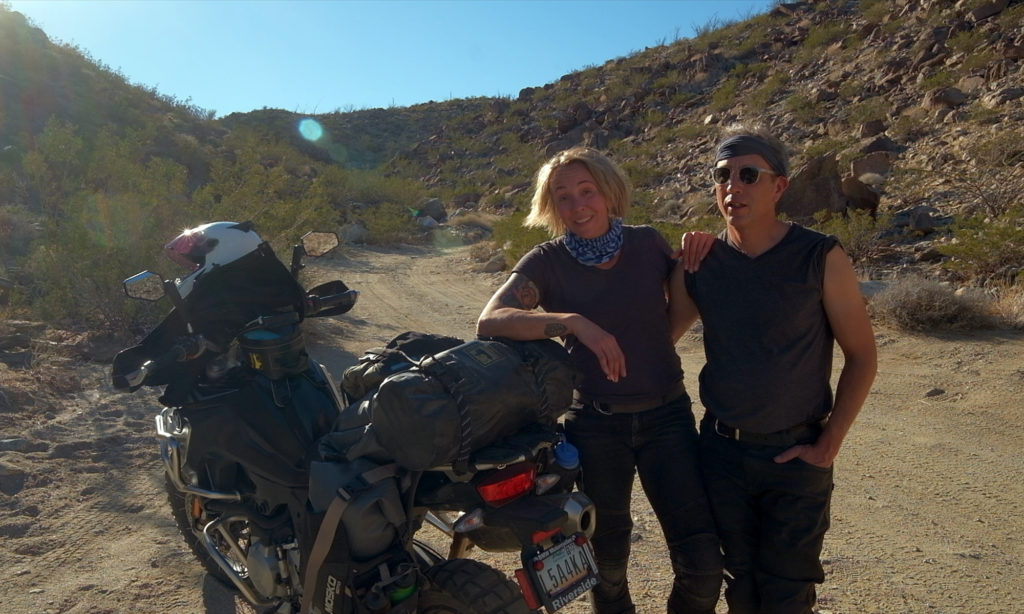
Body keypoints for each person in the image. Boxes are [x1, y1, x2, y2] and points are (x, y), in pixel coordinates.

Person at [477, 147, 722, 614]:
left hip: (667, 417)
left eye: (586, 190)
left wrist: (696, 256)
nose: (577, 204)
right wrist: (572, 322)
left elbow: (676, 311)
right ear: (551, 206)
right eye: (563, 195)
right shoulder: (546, 261)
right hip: (594, 425)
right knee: (607, 567)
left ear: (609, 193)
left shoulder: (648, 244)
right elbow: (491, 321)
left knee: (702, 563)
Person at [670, 124, 878, 614]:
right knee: (741, 587)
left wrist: (830, 442)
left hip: (795, 456)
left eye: (748, 175)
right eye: (722, 176)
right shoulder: (698, 262)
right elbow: (659, 340)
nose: (732, 187)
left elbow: (863, 354)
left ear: (779, 186)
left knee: (787, 593)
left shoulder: (819, 255)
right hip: (721, 453)